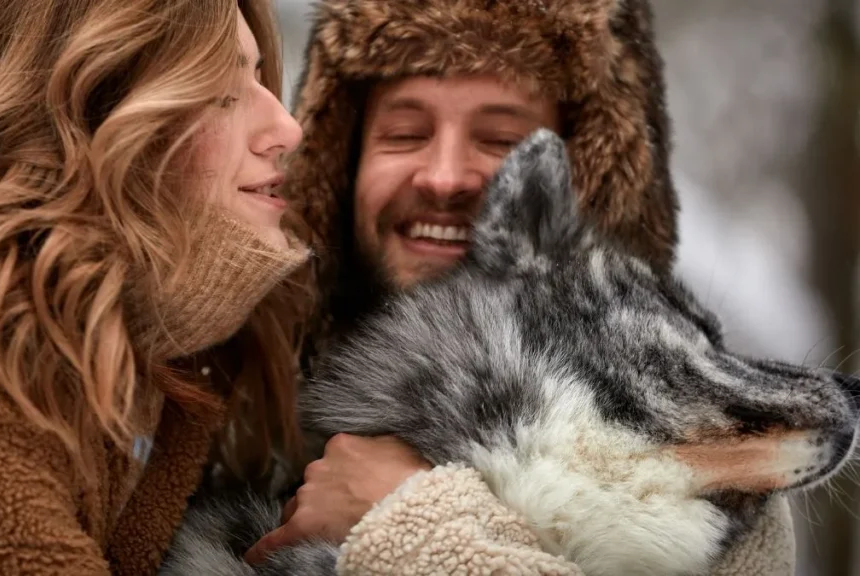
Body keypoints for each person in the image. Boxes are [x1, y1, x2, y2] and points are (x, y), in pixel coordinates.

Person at [244, 0, 796, 573]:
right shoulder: (231, 400)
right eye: (405, 134)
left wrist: (420, 518)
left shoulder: (716, 460)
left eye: (502, 140)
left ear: (589, 179)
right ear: (342, 165)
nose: (444, 177)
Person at [0, 1, 314, 574]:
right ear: (85, 120)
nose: (287, 128)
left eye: (259, 77)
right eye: (220, 91)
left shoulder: (147, 339)